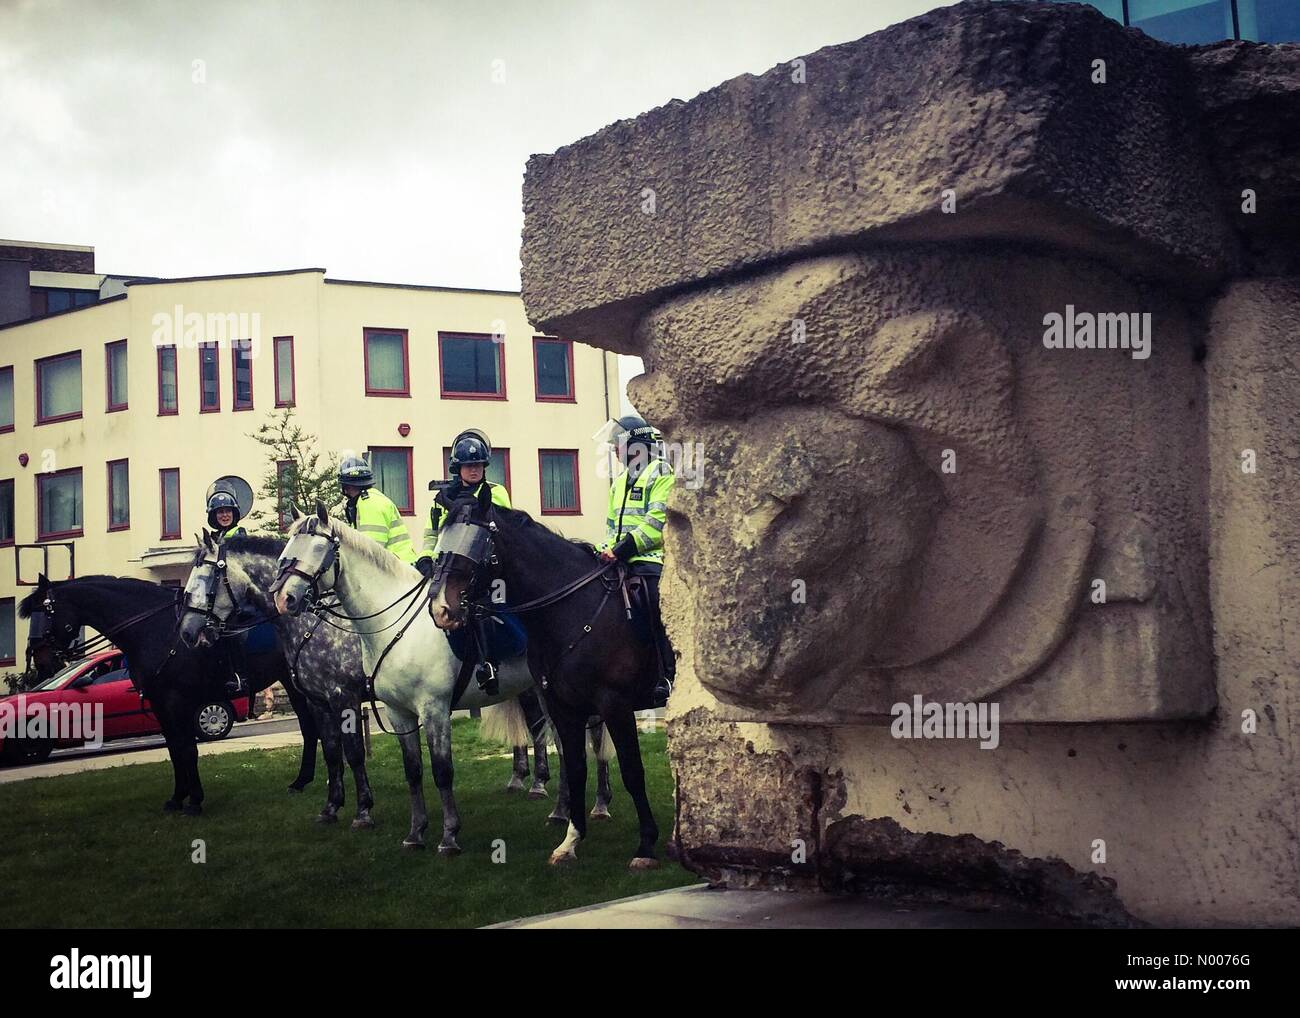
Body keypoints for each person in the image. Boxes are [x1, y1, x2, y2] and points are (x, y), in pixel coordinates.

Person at [417, 431, 515, 694]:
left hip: (489, 567)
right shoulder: (441, 500)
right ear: (457, 468)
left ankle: (488, 666)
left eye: (478, 465)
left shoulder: (497, 492)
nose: (474, 470)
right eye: (468, 465)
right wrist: (426, 557)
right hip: (453, 568)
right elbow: (430, 535)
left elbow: (502, 529)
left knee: (483, 607)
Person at [597, 414, 677, 707]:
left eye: (618, 445)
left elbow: (657, 523)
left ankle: (667, 675)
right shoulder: (619, 482)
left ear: (635, 445)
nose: (615, 452)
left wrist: (622, 549)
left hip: (651, 562)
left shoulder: (661, 473)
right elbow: (610, 528)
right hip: (620, 561)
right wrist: (602, 551)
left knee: (653, 605)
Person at [338, 455, 417, 563]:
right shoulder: (371, 499)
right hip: (399, 564)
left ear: (346, 486)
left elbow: (369, 552)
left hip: (396, 570)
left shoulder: (368, 504)